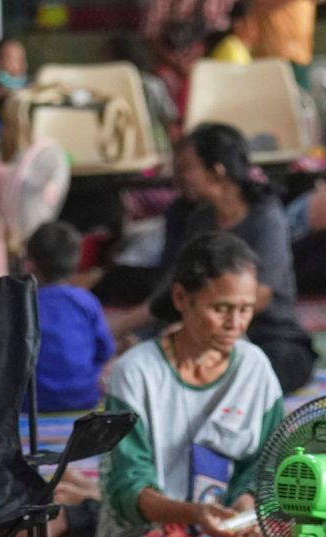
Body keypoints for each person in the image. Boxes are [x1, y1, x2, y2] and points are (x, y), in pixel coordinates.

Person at [92, 232, 291, 537]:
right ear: (182, 298)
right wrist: (193, 515)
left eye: (246, 309)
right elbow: (127, 488)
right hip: (147, 535)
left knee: (300, 535)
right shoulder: (137, 374)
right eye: (222, 309)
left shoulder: (255, 368)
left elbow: (265, 464)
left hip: (228, 525)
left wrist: (245, 503)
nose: (236, 323)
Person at [122, 123, 315, 393]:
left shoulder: (266, 219)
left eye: (187, 168)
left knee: (260, 371)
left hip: (269, 337)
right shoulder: (199, 220)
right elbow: (172, 292)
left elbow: (259, 297)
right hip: (207, 332)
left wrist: (202, 324)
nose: (180, 178)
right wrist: (119, 329)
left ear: (217, 171)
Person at [26, 221, 115, 414]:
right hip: (84, 399)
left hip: (32, 403)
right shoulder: (85, 301)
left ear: (30, 264)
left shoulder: (21, 304)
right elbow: (105, 351)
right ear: (76, 261)